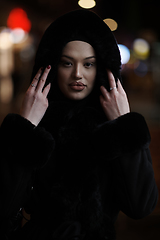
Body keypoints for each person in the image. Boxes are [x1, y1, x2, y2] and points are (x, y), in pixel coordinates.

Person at [0, 9, 158, 240]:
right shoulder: (33, 125)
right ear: (51, 66)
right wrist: (27, 126)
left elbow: (140, 207)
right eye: (66, 63)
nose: (77, 74)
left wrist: (123, 125)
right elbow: (4, 206)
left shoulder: (114, 128)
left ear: (102, 68)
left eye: (88, 64)